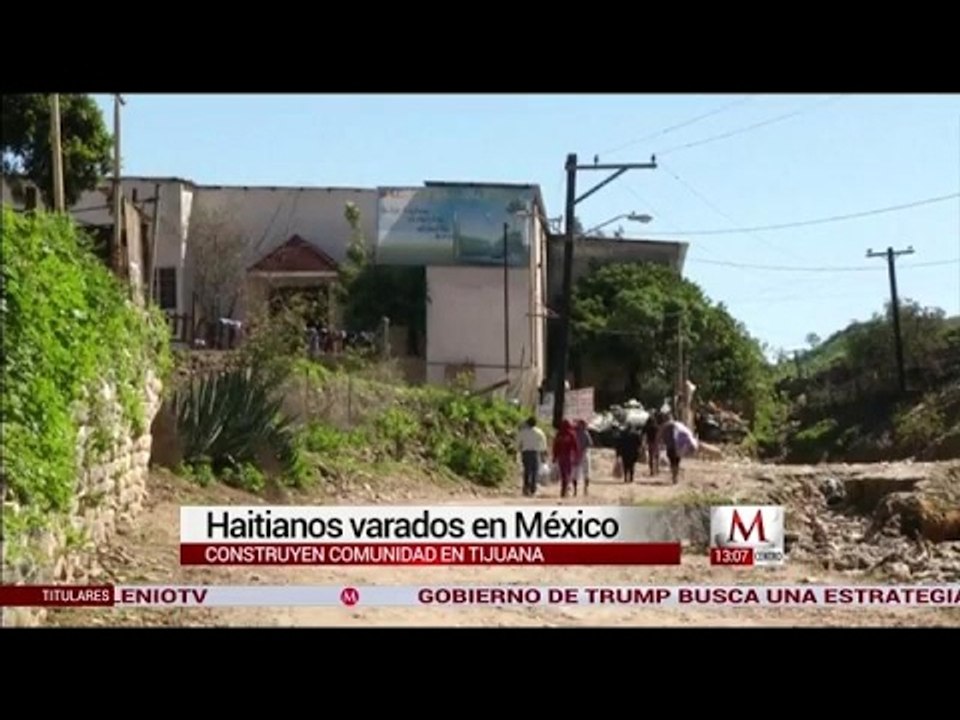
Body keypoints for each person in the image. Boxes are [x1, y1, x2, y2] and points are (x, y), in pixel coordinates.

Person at [517, 417, 547, 497]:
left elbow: (518, 443)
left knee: (527, 471)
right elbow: (544, 443)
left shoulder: (523, 432)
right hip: (535, 453)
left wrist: (519, 450)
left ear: (527, 423)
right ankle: (533, 490)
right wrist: (543, 452)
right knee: (534, 472)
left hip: (525, 453)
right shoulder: (539, 432)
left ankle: (526, 489)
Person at [552, 419, 580, 498]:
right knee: (568, 473)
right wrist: (577, 456)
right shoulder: (571, 434)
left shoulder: (559, 434)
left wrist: (554, 456)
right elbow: (575, 446)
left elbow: (555, 446)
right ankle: (566, 488)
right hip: (569, 457)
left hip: (561, 457)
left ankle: (564, 488)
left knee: (563, 473)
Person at [657, 412, 682, 484]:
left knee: (672, 462)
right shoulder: (678, 425)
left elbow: (659, 436)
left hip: (670, 446)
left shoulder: (664, 426)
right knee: (677, 462)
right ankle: (675, 476)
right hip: (678, 446)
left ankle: (674, 476)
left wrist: (659, 443)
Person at [574, 419, 593, 496]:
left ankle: (576, 490)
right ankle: (585, 489)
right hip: (584, 453)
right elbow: (590, 443)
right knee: (586, 472)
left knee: (576, 472)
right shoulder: (586, 433)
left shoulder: (574, 433)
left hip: (576, 454)